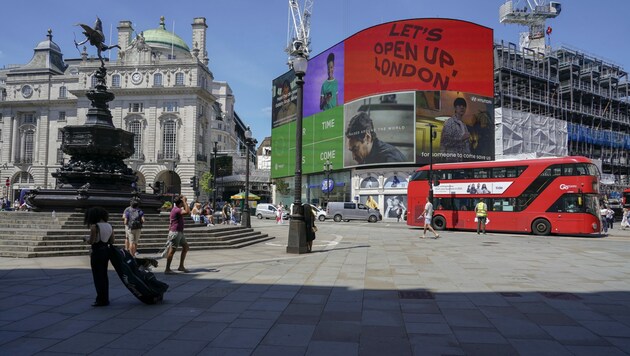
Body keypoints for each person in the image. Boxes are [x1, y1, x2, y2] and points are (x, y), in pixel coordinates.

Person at [83, 207, 114, 307]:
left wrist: (85, 239)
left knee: (97, 276)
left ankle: (101, 299)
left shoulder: (94, 227)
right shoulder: (110, 226)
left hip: (97, 252)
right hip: (106, 251)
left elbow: (91, 241)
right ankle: (105, 298)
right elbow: (112, 241)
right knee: (104, 275)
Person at [165, 195, 191, 274]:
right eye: (182, 203)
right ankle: (167, 269)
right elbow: (187, 212)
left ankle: (181, 266)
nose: (184, 204)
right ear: (180, 203)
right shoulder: (176, 210)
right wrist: (185, 202)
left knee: (186, 247)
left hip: (178, 232)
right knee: (172, 251)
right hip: (175, 232)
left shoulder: (176, 209)